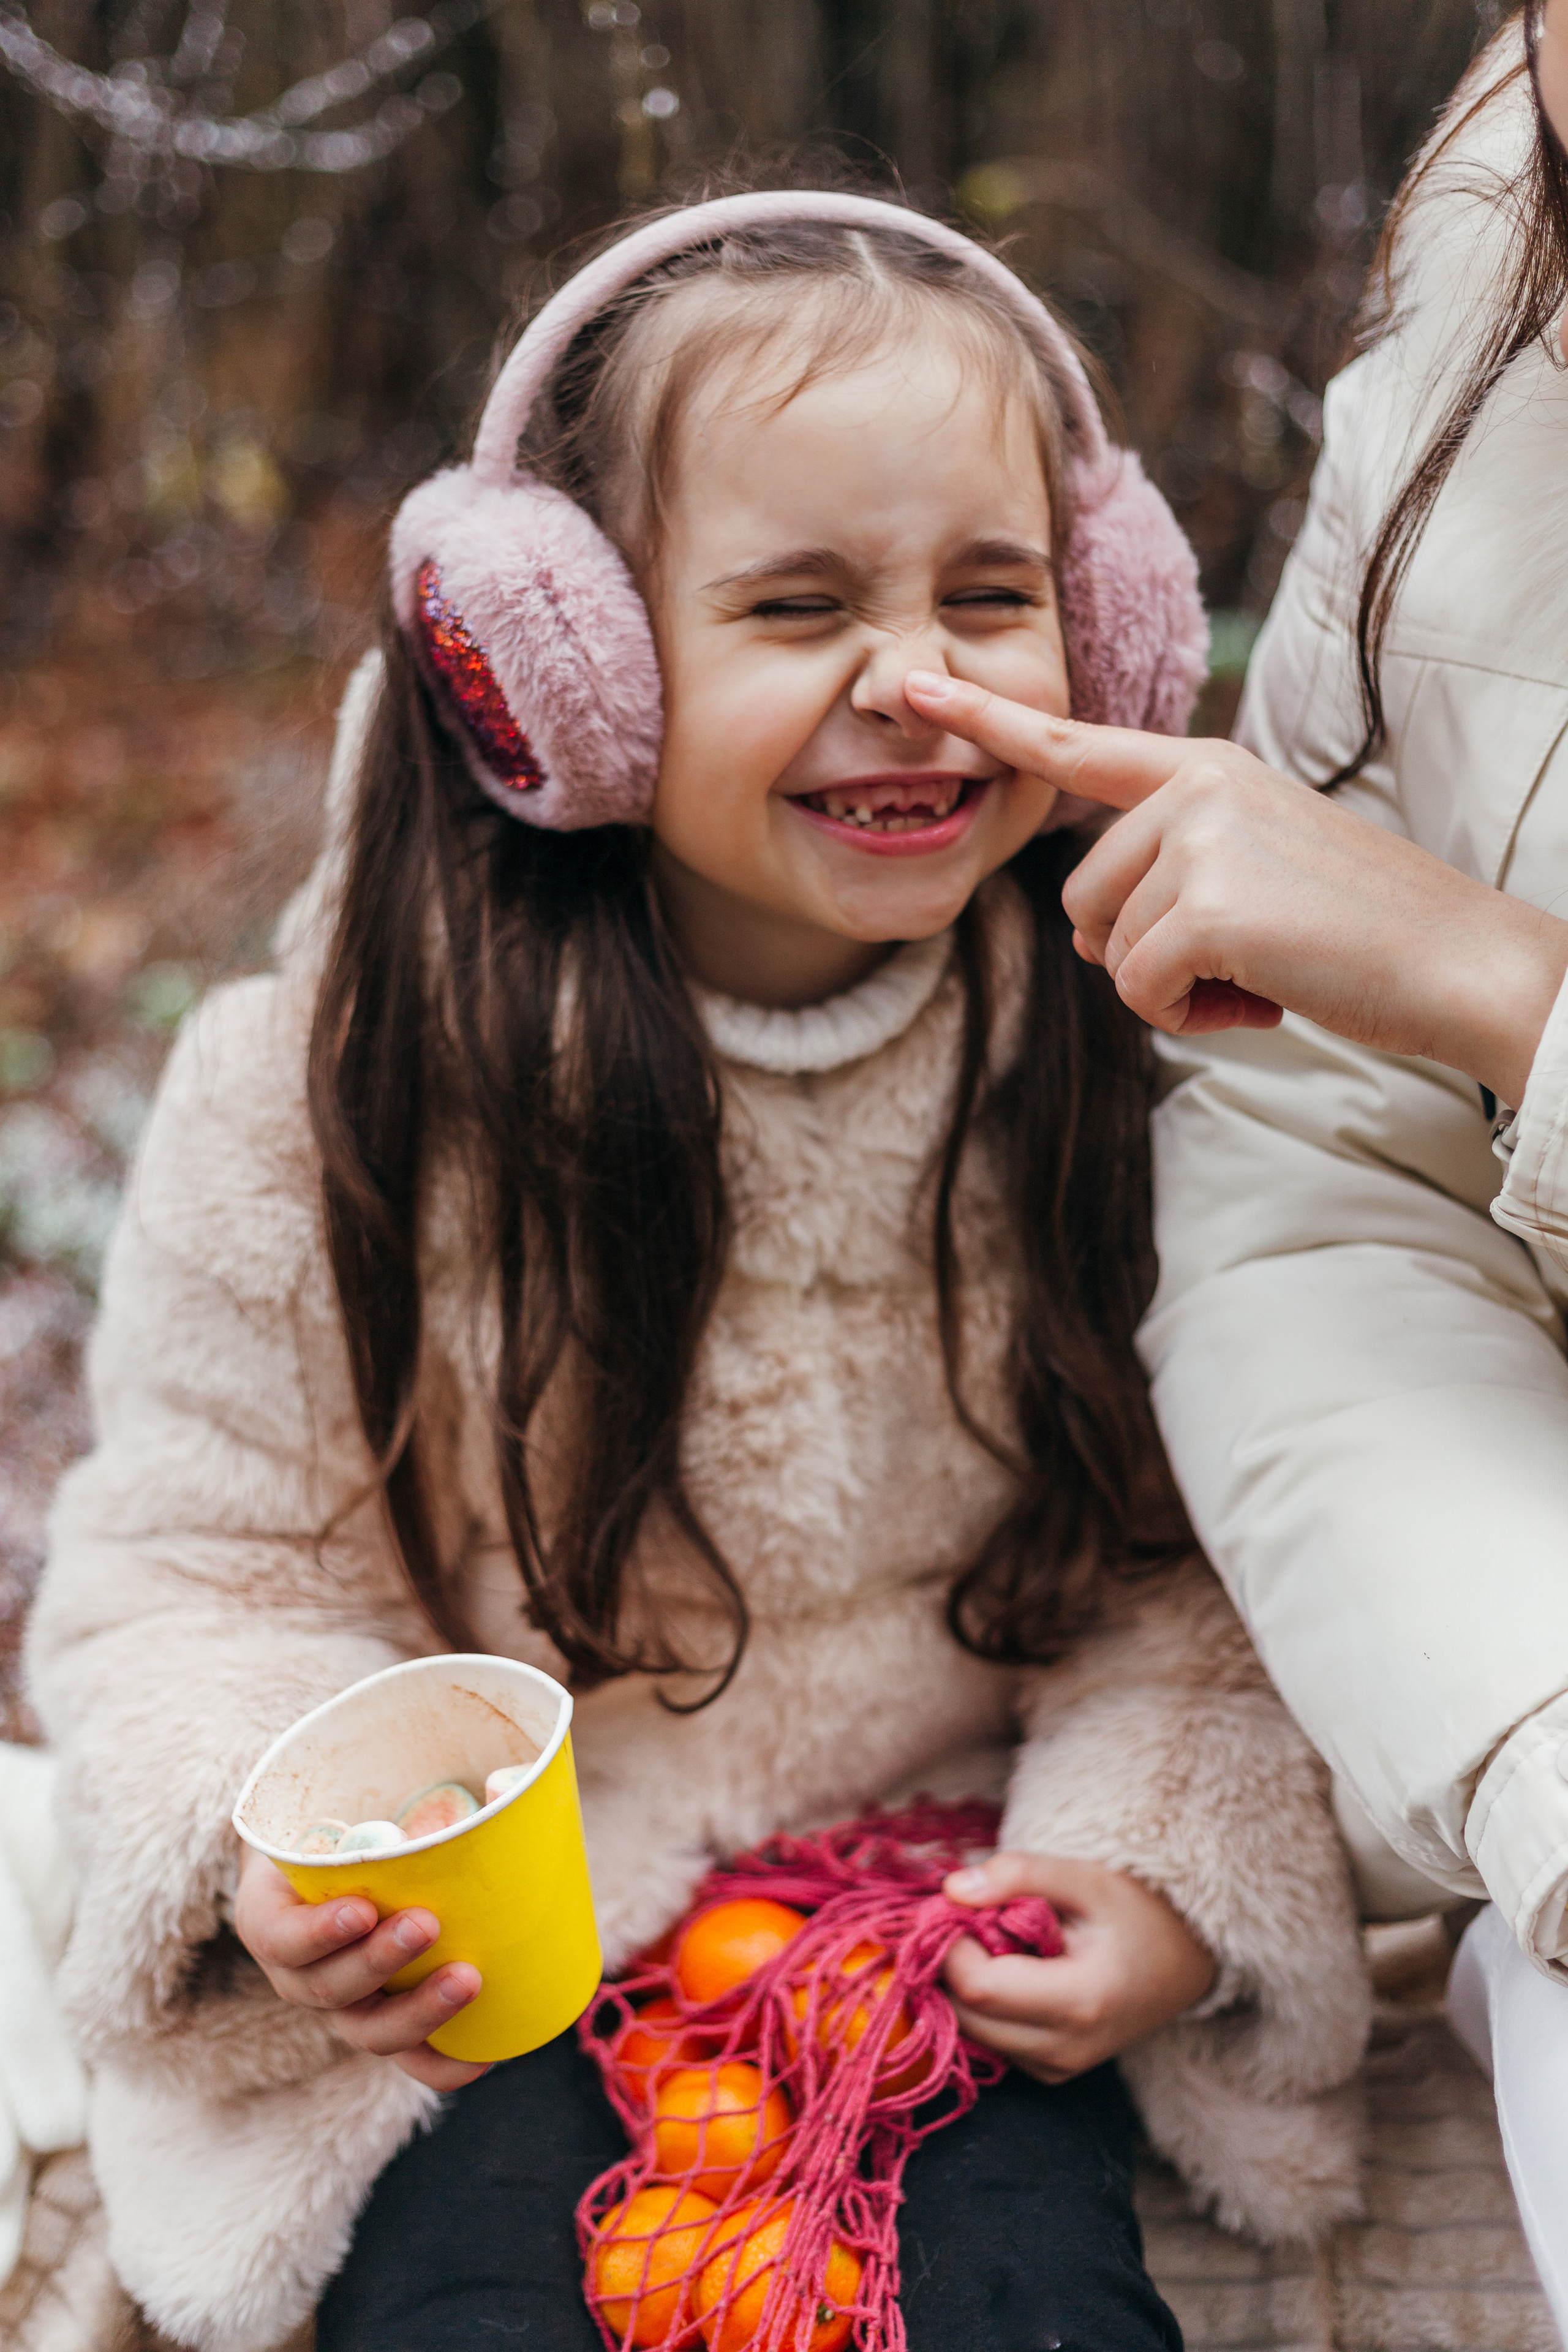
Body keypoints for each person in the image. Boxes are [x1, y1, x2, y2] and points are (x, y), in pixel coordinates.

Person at [24, 189, 1372, 2352]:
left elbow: (1210, 1559)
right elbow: (207, 1568)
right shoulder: (330, 1087)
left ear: (1112, 626)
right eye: (799, 601)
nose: (917, 684)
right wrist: (278, 1847)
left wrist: (1154, 1873)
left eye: (995, 595)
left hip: (944, 1919)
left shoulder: (1144, 1050)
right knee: (481, 2306)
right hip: (497, 1955)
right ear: (571, 663)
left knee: (1036, 2304)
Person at [899, 2, 1568, 2325]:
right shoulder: (1503, 237)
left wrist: (1515, 1000)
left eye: (974, 596)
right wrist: (1544, 1744)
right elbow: (1317, 1193)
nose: (897, 687)